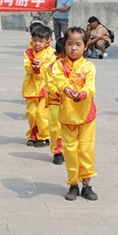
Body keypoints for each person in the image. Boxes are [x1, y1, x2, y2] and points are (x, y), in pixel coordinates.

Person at [51, 27, 98, 201]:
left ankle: (87, 184)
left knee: (86, 150)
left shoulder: (88, 66)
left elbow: (91, 85)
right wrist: (67, 89)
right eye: (70, 43)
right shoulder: (58, 65)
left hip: (86, 116)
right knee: (70, 151)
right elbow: (58, 80)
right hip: (67, 116)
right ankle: (73, 184)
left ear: (85, 46)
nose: (74, 48)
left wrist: (83, 93)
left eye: (78, 44)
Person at [22, 24, 56, 147]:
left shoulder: (52, 54)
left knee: (42, 113)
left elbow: (48, 69)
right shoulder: (28, 52)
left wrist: (38, 68)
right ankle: (32, 135)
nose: (37, 44)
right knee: (31, 113)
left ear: (48, 41)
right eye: (35, 40)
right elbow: (27, 66)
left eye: (41, 41)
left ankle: (44, 136)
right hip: (31, 87)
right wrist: (33, 67)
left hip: (45, 87)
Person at [46, 37, 66, 165]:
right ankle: (58, 152)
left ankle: (69, 150)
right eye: (62, 56)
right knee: (55, 128)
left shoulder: (78, 66)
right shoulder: (52, 67)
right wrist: (58, 90)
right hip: (55, 102)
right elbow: (49, 83)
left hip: (71, 103)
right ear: (56, 54)